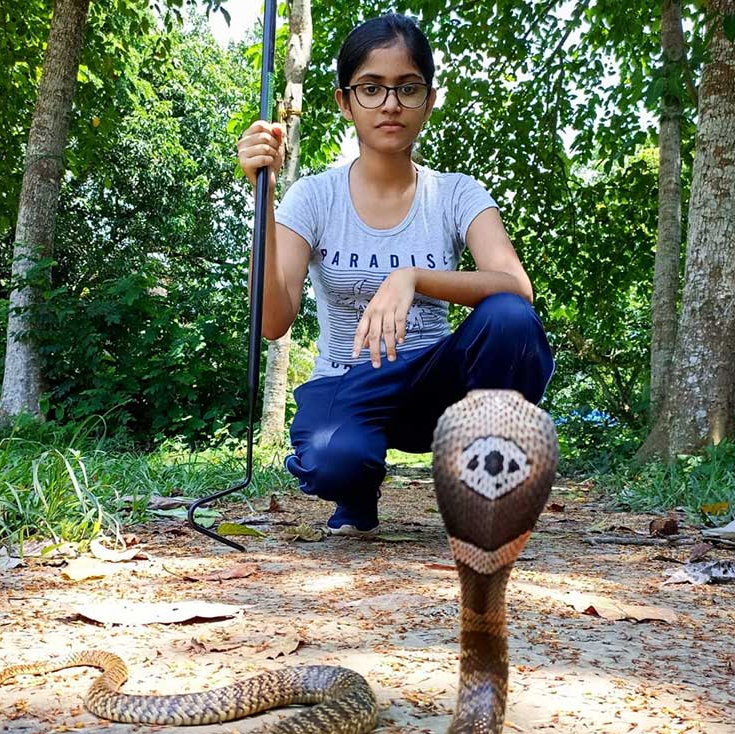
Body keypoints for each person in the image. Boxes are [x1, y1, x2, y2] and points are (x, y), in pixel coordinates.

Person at [236, 13, 554, 536]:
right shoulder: (314, 197)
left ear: (429, 100)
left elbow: (517, 288)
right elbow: (272, 322)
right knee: (333, 457)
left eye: (408, 88)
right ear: (344, 102)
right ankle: (356, 494)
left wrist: (413, 276)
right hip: (348, 382)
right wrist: (263, 198)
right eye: (371, 88)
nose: (390, 104)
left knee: (510, 319)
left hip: (435, 383)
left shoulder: (455, 194)